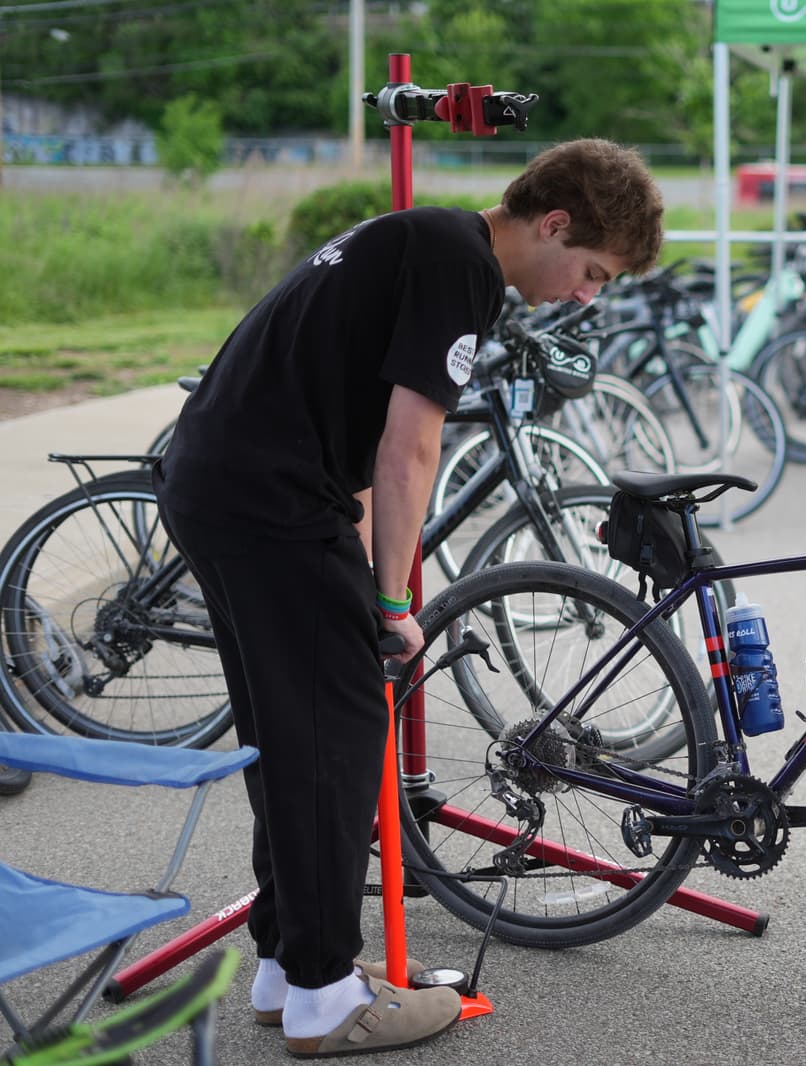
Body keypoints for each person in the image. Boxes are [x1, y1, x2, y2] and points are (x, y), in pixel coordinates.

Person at [154, 139, 663, 1057]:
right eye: (591, 270)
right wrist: (394, 606)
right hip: (270, 501)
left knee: (290, 734)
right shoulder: (459, 266)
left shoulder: (415, 239)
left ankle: (287, 965)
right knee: (336, 744)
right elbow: (408, 448)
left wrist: (365, 594)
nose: (587, 294)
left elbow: (353, 445)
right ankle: (325, 996)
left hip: (220, 484)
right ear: (553, 225)